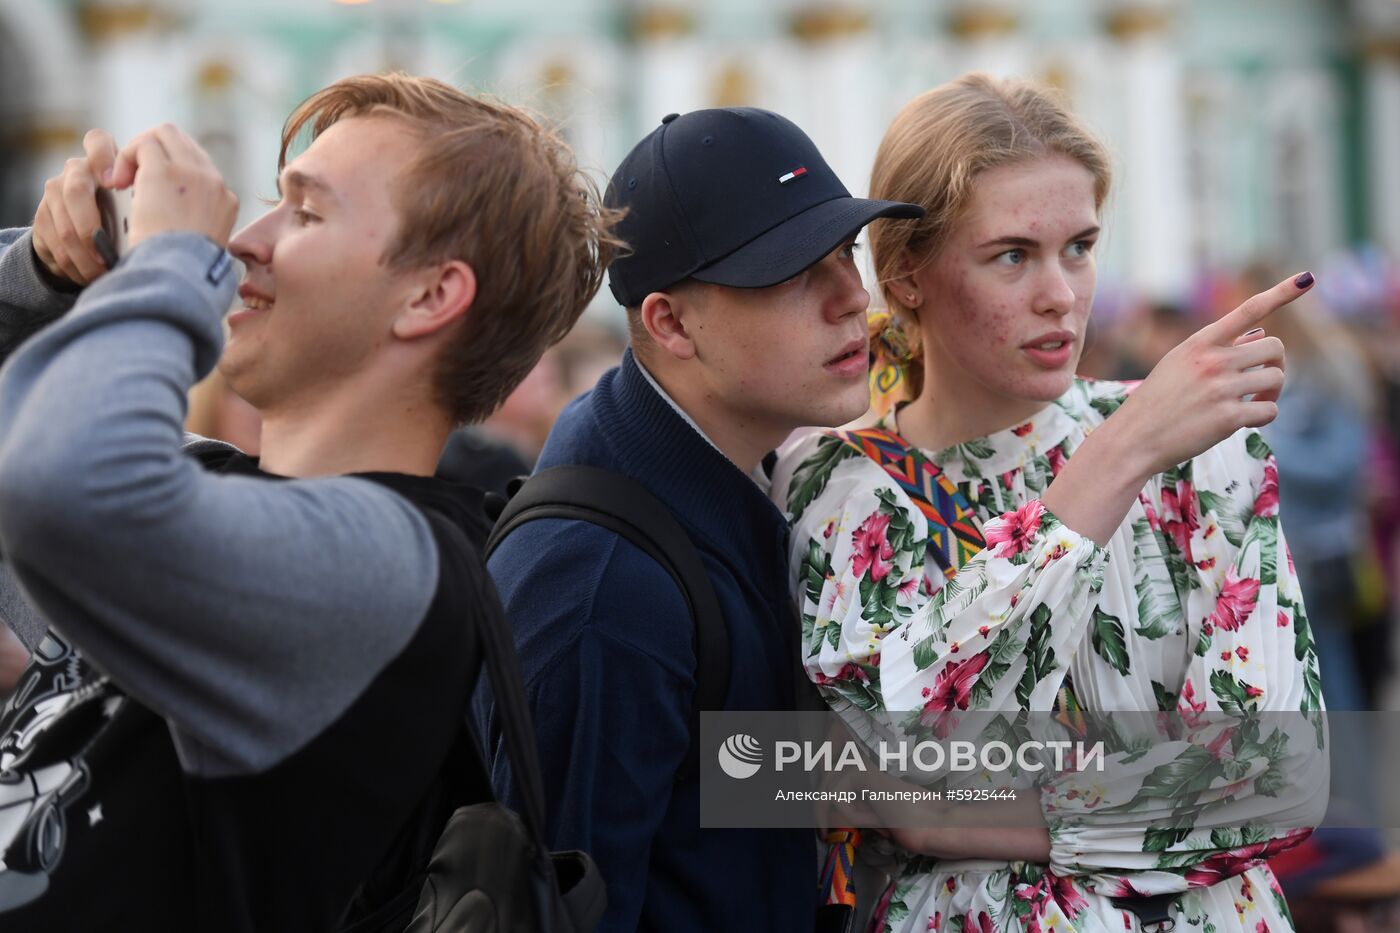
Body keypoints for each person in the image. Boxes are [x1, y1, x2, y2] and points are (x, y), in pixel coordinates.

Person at [0, 73, 617, 930]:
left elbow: (57, 489)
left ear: (429, 296)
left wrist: (171, 264)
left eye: (305, 213)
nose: (243, 241)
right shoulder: (214, 488)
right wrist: (47, 275)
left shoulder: (393, 568)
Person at [772, 73, 1323, 932]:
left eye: (1080, 246)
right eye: (1012, 255)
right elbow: (914, 750)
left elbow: (1280, 776)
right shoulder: (836, 484)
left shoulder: (1202, 449)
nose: (1061, 294)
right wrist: (1118, 456)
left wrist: (953, 823)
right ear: (907, 275)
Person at [474, 107, 923, 931]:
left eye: (845, 251)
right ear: (671, 323)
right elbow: (568, 910)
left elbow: (732, 779)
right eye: (793, 271)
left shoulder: (716, 483)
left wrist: (1132, 784)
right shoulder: (608, 589)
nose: (852, 298)